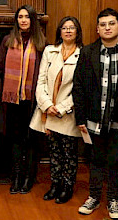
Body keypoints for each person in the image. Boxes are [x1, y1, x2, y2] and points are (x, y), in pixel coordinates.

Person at [72, 8, 118, 220]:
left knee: (116, 160)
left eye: (111, 23)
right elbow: (78, 87)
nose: (107, 28)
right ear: (97, 29)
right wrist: (80, 118)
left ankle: (113, 199)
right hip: (93, 119)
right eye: (103, 24)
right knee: (96, 160)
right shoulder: (88, 52)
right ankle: (94, 196)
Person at [30, 16, 83, 204]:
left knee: (69, 153)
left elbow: (80, 88)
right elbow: (41, 80)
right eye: (64, 27)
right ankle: (55, 185)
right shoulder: (49, 51)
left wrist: (61, 108)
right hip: (48, 110)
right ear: (59, 31)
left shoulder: (82, 54)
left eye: (72, 28)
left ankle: (67, 187)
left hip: (67, 112)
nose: (68, 31)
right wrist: (46, 105)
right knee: (53, 152)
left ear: (77, 32)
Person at [0, 5, 46, 195]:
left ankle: (28, 178)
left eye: (27, 17)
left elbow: (44, 73)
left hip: (32, 101)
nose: (23, 20)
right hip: (12, 101)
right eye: (20, 17)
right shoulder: (8, 41)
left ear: (33, 20)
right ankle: (16, 177)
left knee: (31, 141)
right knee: (16, 141)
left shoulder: (42, 44)